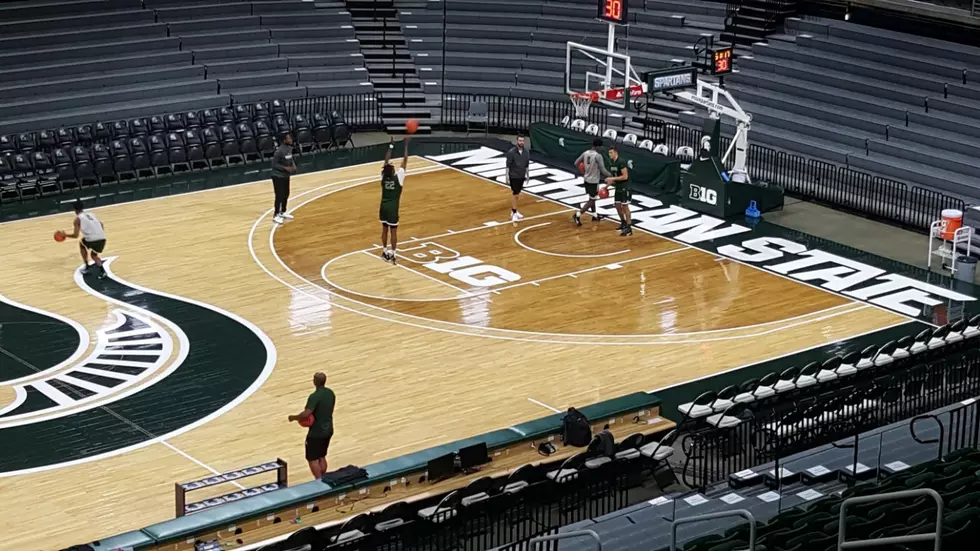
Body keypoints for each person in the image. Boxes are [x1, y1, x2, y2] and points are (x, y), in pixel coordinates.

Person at [288, 372, 336, 479]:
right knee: (322, 456)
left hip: (316, 432)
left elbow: (307, 414)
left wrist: (294, 417)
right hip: (328, 429)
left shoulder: (314, 396)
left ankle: (319, 482)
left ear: (315, 381)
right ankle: (323, 478)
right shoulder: (330, 393)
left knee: (312, 459)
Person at [380, 137, 409, 264]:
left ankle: (384, 251)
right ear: (392, 172)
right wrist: (406, 145)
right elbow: (405, 160)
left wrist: (391, 146)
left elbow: (386, 161)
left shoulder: (383, 177)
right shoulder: (399, 178)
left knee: (384, 229)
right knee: (394, 231)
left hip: (383, 207)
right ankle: (394, 254)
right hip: (392, 209)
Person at [63, 200, 106, 279]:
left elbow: (76, 235)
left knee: (81, 243)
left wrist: (65, 235)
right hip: (102, 237)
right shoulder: (91, 214)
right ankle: (102, 271)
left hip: (92, 239)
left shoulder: (77, 219)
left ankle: (87, 266)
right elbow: (101, 224)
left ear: (74, 209)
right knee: (94, 255)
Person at [573, 138, 611, 226]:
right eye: (600, 147)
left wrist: (583, 171)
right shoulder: (598, 156)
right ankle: (577, 214)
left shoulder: (585, 153)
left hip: (586, 179)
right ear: (598, 146)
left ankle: (594, 215)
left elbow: (576, 163)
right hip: (593, 181)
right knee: (592, 200)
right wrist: (611, 175)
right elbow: (603, 170)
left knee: (592, 198)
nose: (601, 148)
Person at [605, 145, 632, 236]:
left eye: (611, 152)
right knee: (617, 205)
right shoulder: (612, 162)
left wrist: (612, 178)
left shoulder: (621, 162)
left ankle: (629, 228)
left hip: (625, 186)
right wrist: (606, 186)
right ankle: (623, 222)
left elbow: (625, 176)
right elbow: (614, 178)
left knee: (625, 207)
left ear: (616, 152)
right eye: (609, 153)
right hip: (618, 187)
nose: (610, 154)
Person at [271, 134, 296, 225]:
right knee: (279, 195)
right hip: (277, 176)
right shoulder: (279, 151)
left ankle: (283, 211)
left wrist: (293, 165)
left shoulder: (289, 149)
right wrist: (285, 168)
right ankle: (276, 215)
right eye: (289, 138)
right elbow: (275, 165)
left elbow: (290, 159)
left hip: (285, 176)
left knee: (286, 193)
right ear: (284, 140)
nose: (291, 139)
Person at [505, 135, 530, 222]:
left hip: (521, 176)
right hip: (514, 176)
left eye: (522, 141)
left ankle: (513, 211)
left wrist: (528, 175)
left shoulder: (526, 152)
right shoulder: (511, 152)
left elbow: (526, 165)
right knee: (515, 195)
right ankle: (514, 213)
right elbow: (507, 166)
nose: (521, 142)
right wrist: (507, 177)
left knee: (517, 194)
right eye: (520, 141)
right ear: (517, 141)